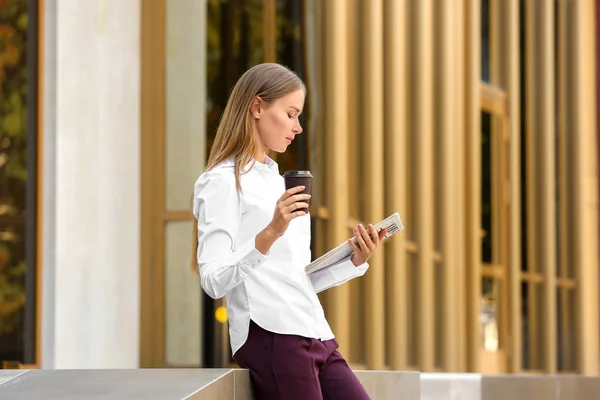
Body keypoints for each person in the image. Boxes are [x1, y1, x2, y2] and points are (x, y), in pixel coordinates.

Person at [191, 63, 386, 400]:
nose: (297, 127)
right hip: (271, 334)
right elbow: (212, 280)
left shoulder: (279, 183)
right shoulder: (221, 182)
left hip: (314, 331)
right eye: (291, 114)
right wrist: (271, 231)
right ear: (256, 107)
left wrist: (353, 260)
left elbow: (296, 279)